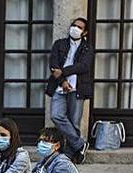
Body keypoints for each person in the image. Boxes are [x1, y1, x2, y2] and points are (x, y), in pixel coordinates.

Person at [46, 17, 93, 164]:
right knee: (56, 115)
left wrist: (64, 71)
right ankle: (80, 144)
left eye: (79, 27)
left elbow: (83, 66)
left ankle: (71, 155)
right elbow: (53, 65)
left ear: (84, 32)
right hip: (59, 87)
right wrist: (63, 81)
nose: (75, 28)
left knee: (74, 123)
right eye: (74, 25)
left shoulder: (87, 48)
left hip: (77, 88)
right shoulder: (59, 44)